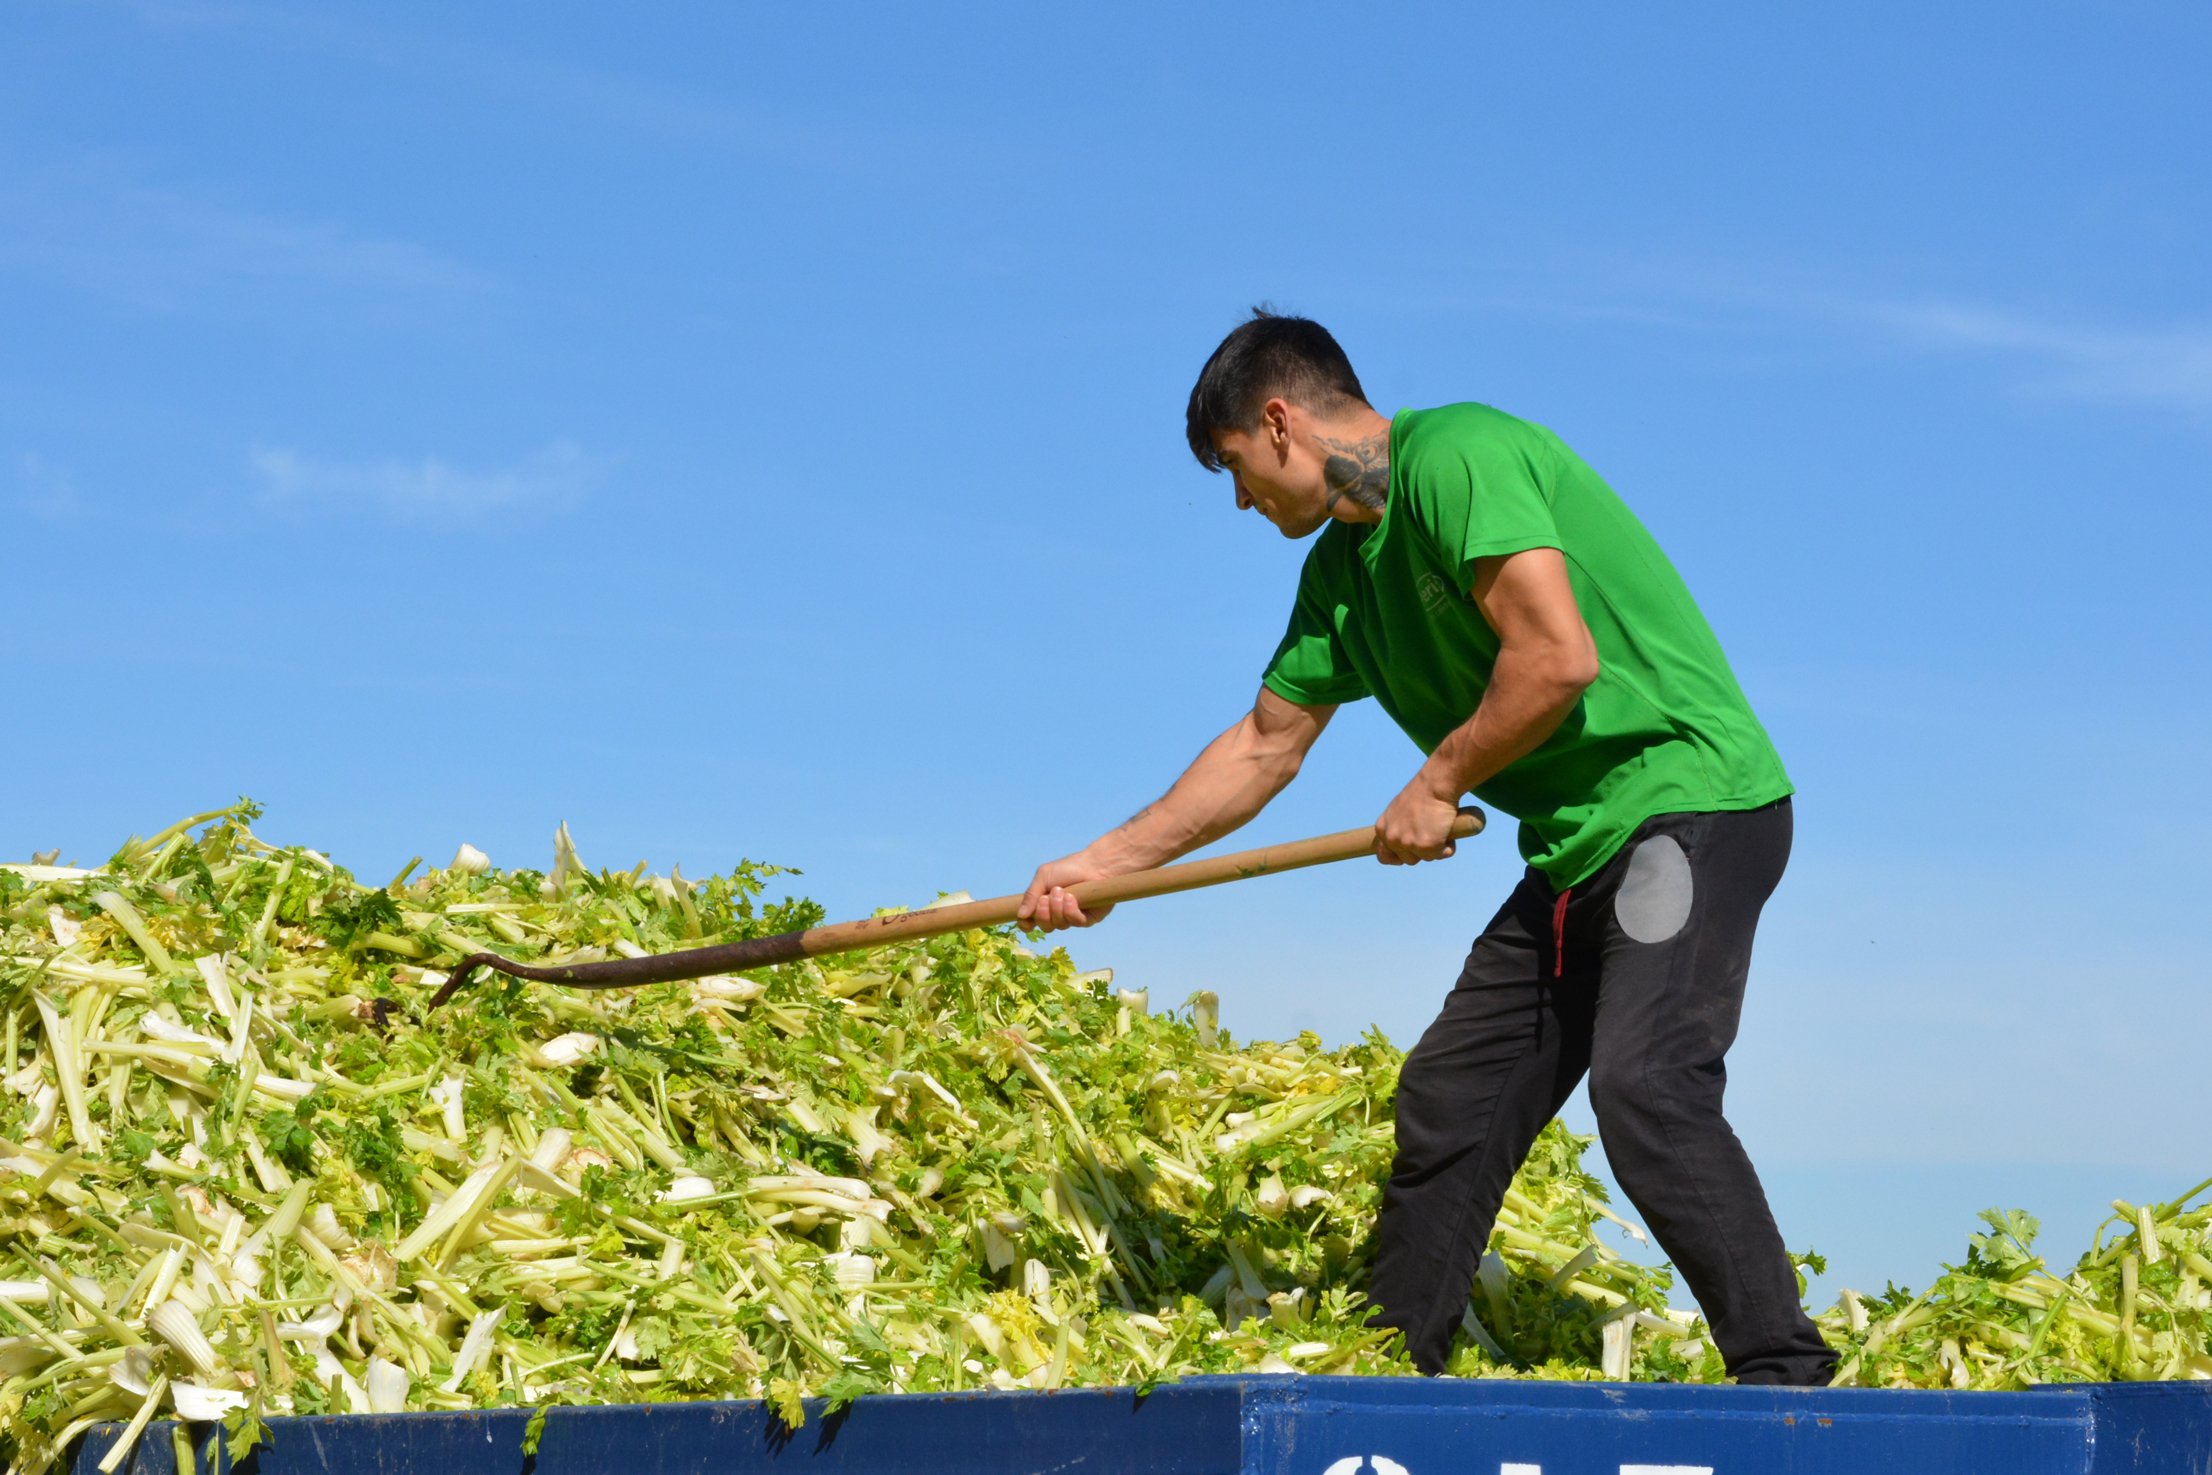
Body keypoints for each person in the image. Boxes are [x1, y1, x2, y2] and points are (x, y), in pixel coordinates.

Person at [1016, 307, 1837, 1387]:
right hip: (1572, 851)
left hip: (1684, 811)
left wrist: (1436, 778)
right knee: (1453, 1093)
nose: (1239, 500)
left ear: (1278, 423)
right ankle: (1390, 1378)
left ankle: (1787, 1382)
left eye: (1233, 469)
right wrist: (1107, 864)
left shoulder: (1457, 456)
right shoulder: (1341, 579)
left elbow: (1555, 657)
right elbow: (1263, 745)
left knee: (1644, 1084)